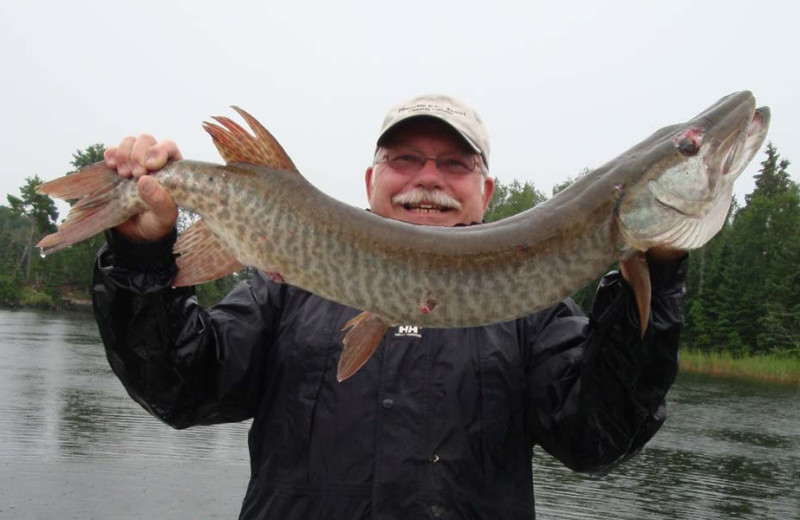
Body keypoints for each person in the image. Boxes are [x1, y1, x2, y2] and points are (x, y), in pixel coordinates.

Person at [93, 94, 686, 519]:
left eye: (455, 164)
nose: (427, 178)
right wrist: (141, 255)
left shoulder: (533, 312)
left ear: (486, 193)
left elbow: (598, 436)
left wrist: (659, 272)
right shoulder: (286, 285)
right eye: (405, 159)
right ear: (370, 180)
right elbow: (178, 386)